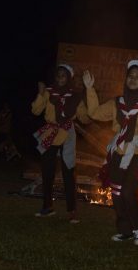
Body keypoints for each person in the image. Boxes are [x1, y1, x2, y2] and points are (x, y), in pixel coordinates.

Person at [82, 60, 138, 246]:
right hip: (119, 148)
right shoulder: (117, 103)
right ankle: (125, 231)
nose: (133, 79)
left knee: (129, 190)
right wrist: (90, 89)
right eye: (130, 76)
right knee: (117, 192)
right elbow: (95, 112)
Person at [31, 64, 90, 223]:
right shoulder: (48, 93)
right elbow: (36, 111)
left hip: (67, 134)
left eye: (63, 76)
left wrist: (87, 101)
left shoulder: (75, 96)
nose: (60, 78)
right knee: (47, 171)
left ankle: (72, 211)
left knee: (68, 173)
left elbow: (85, 118)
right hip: (50, 132)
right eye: (58, 75)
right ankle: (47, 207)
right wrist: (40, 93)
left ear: (69, 78)